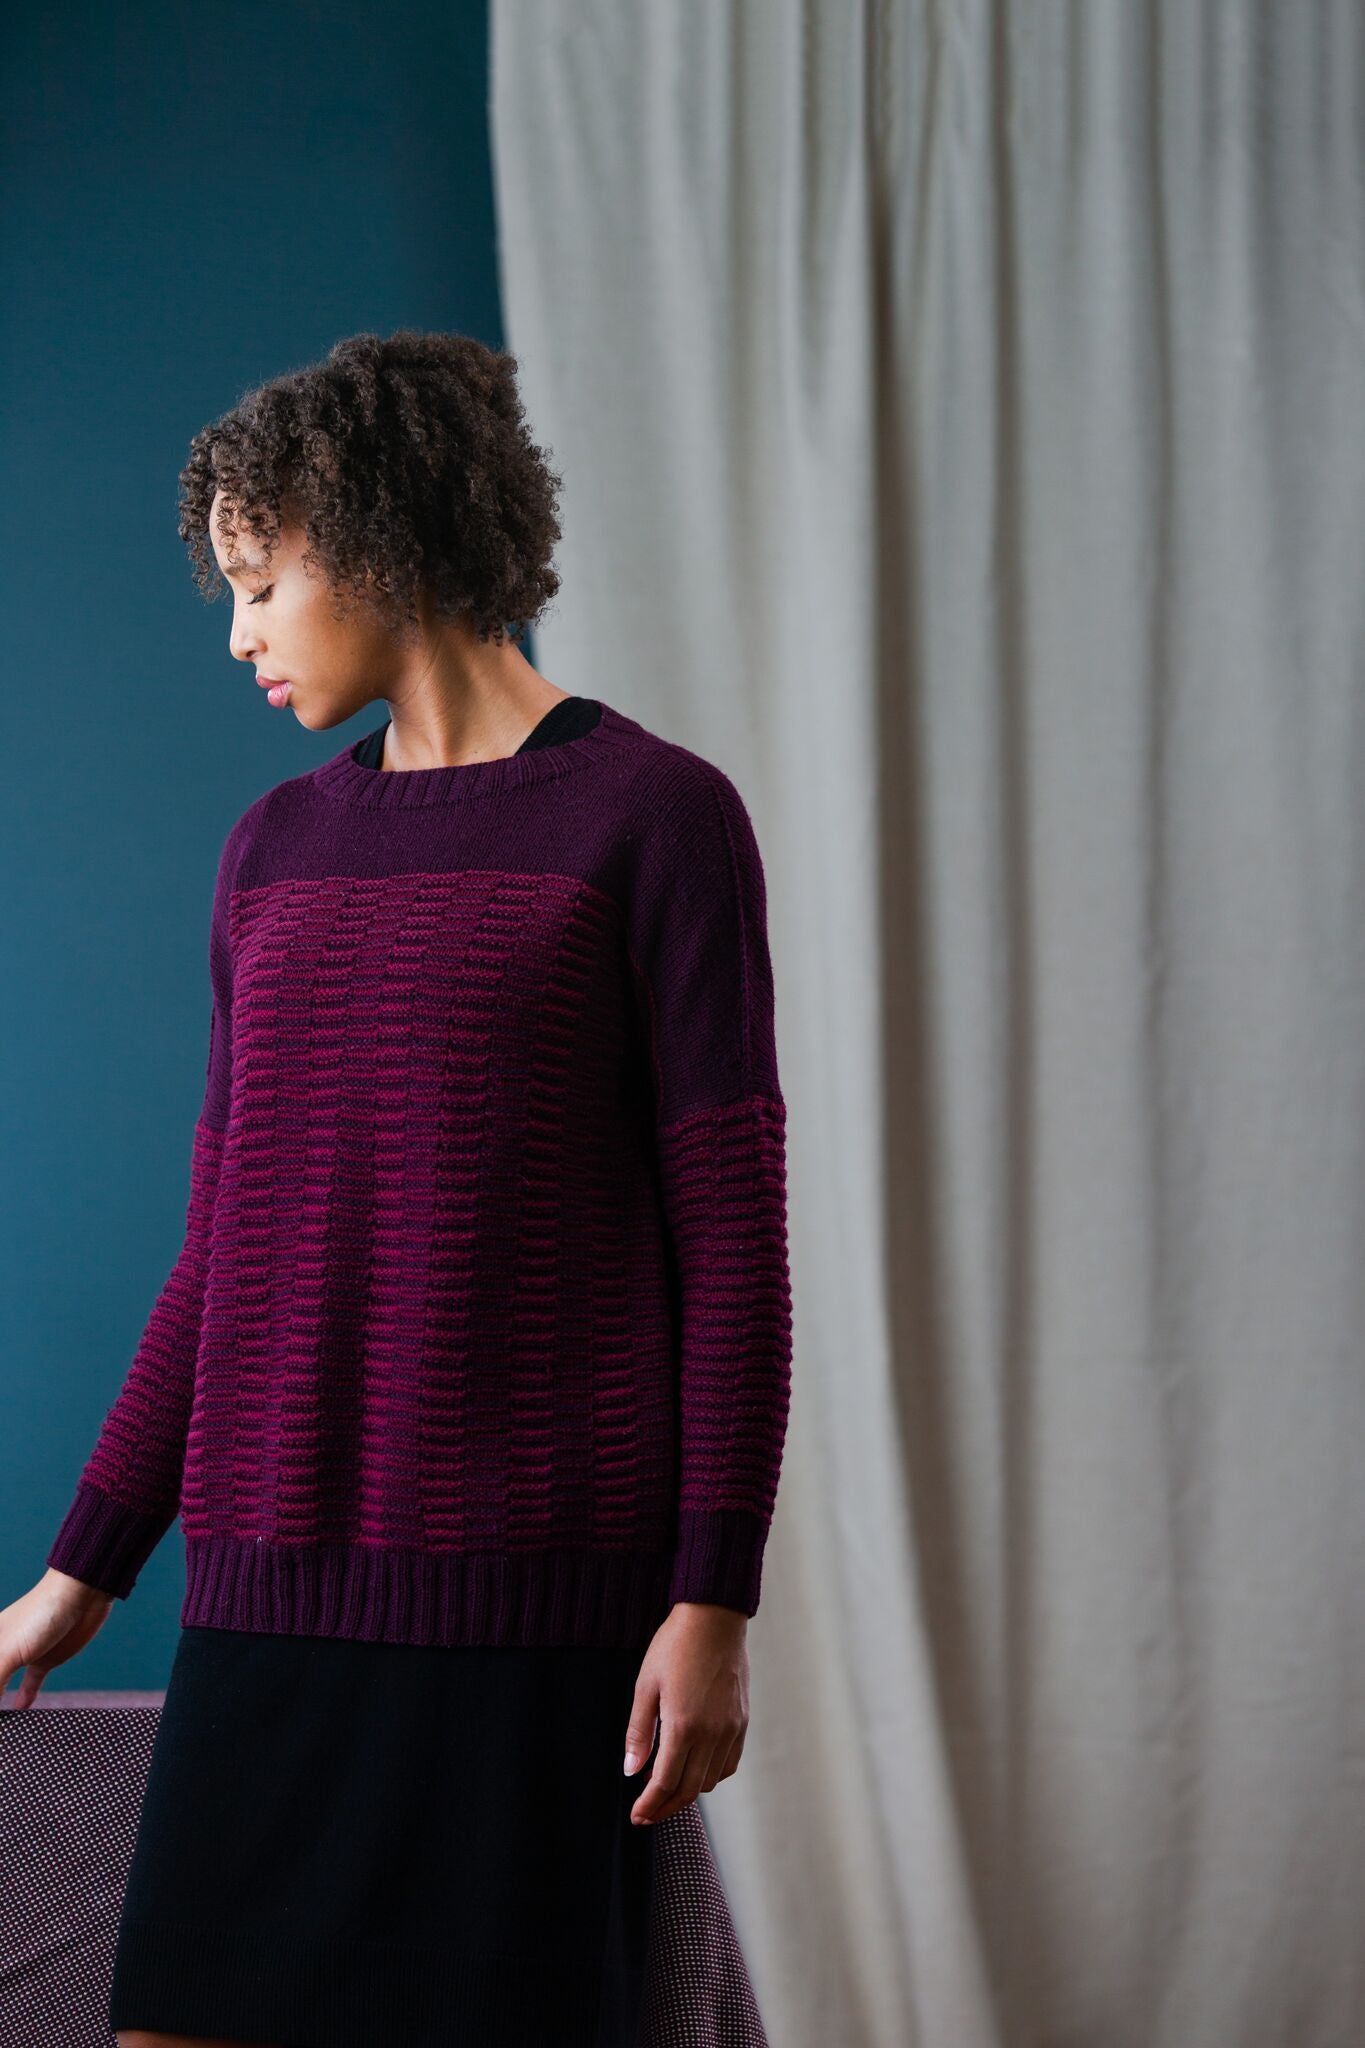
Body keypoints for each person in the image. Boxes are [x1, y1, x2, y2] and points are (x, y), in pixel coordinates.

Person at [0, 328, 793, 2048]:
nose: (239, 635)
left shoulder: (655, 821)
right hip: (268, 1600)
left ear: (374, 539)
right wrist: (80, 1574)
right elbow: (222, 1252)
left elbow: (730, 1243)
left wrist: (712, 1599)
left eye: (259, 585)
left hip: (536, 1618)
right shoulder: (271, 852)